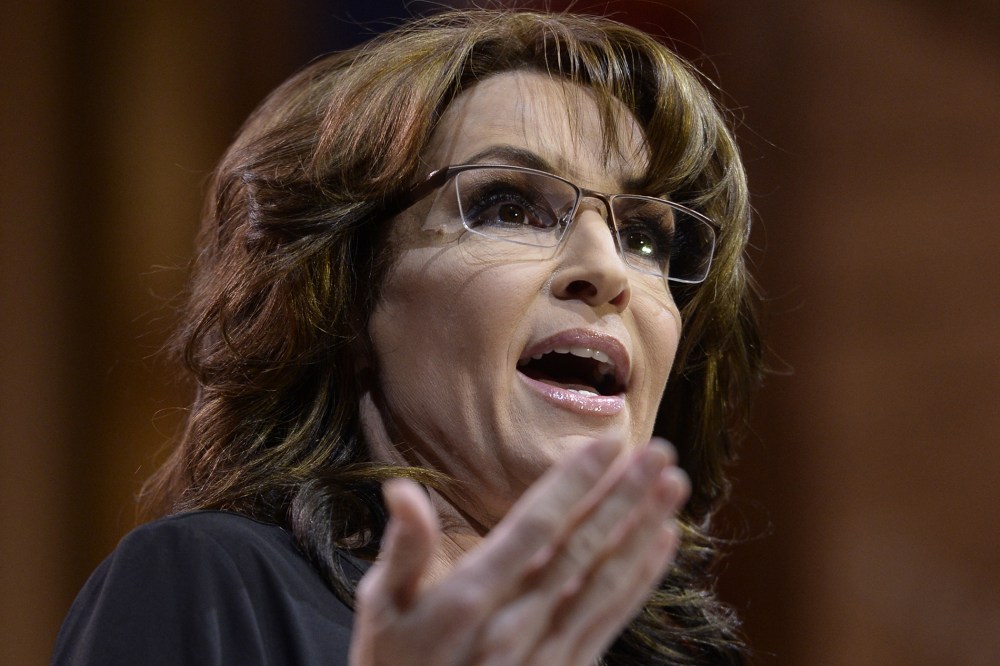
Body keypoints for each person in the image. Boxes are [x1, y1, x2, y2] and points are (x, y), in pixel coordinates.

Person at [53, 8, 763, 665]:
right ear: (345, 295)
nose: (606, 270)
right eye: (509, 207)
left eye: (644, 238)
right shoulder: (212, 588)